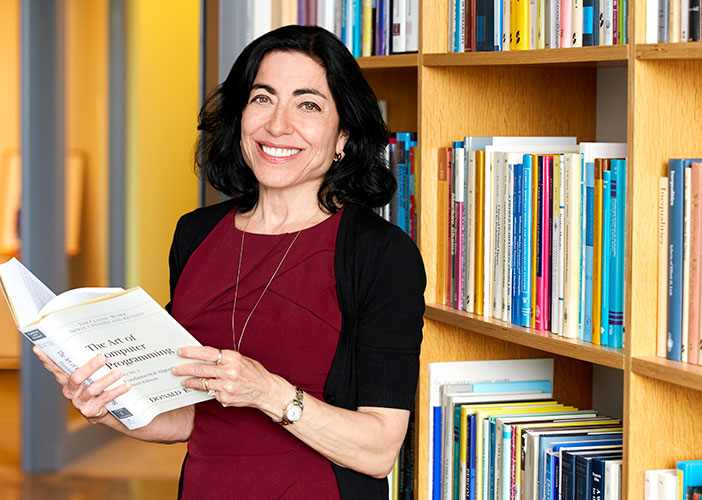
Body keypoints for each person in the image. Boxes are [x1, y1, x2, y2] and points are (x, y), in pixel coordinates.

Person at [33, 24, 425, 499]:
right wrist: (107, 407)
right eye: (262, 99)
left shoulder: (381, 254)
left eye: (308, 104)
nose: (278, 125)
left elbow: (379, 448)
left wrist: (268, 393)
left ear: (343, 134)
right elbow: (190, 418)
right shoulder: (196, 234)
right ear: (240, 115)